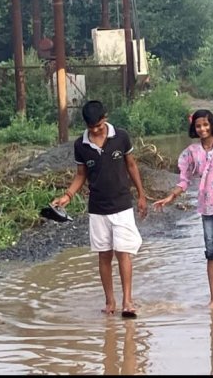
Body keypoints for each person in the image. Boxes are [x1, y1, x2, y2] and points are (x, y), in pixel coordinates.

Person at [51, 100, 148, 319]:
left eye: (98, 125)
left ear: (105, 118)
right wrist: (67, 195)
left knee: (124, 253)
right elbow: (81, 175)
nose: (95, 130)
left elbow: (131, 165)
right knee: (104, 255)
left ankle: (127, 301)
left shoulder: (121, 136)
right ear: (86, 124)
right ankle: (109, 301)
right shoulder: (80, 145)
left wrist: (141, 194)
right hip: (97, 208)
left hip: (122, 205)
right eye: (91, 127)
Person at [152, 109, 213, 308]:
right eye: (198, 126)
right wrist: (171, 196)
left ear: (212, 124)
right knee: (211, 253)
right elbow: (185, 180)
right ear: (194, 128)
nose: (203, 129)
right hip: (207, 208)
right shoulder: (192, 152)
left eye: (205, 124)